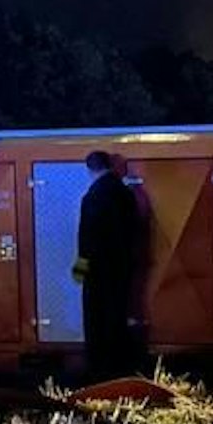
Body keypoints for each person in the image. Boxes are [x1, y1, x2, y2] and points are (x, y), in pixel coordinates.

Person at [72, 149, 144, 382]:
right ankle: (119, 365)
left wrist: (80, 270)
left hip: (97, 270)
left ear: (90, 169)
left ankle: (98, 368)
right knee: (117, 315)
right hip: (121, 268)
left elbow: (86, 238)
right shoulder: (126, 195)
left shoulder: (92, 197)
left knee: (96, 318)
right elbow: (135, 232)